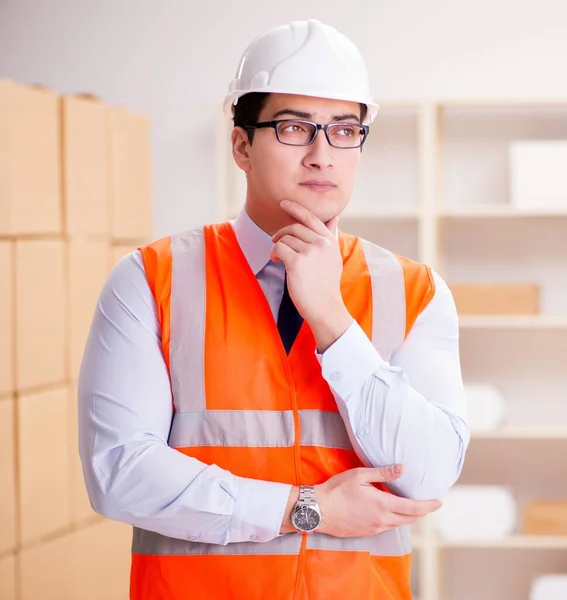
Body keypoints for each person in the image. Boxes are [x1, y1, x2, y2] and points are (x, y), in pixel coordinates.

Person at [78, 18, 469, 600]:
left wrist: (333, 320)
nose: (322, 156)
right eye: (294, 128)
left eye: (344, 130)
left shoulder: (414, 291)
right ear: (241, 145)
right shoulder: (150, 280)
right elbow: (118, 472)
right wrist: (306, 509)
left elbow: (429, 475)